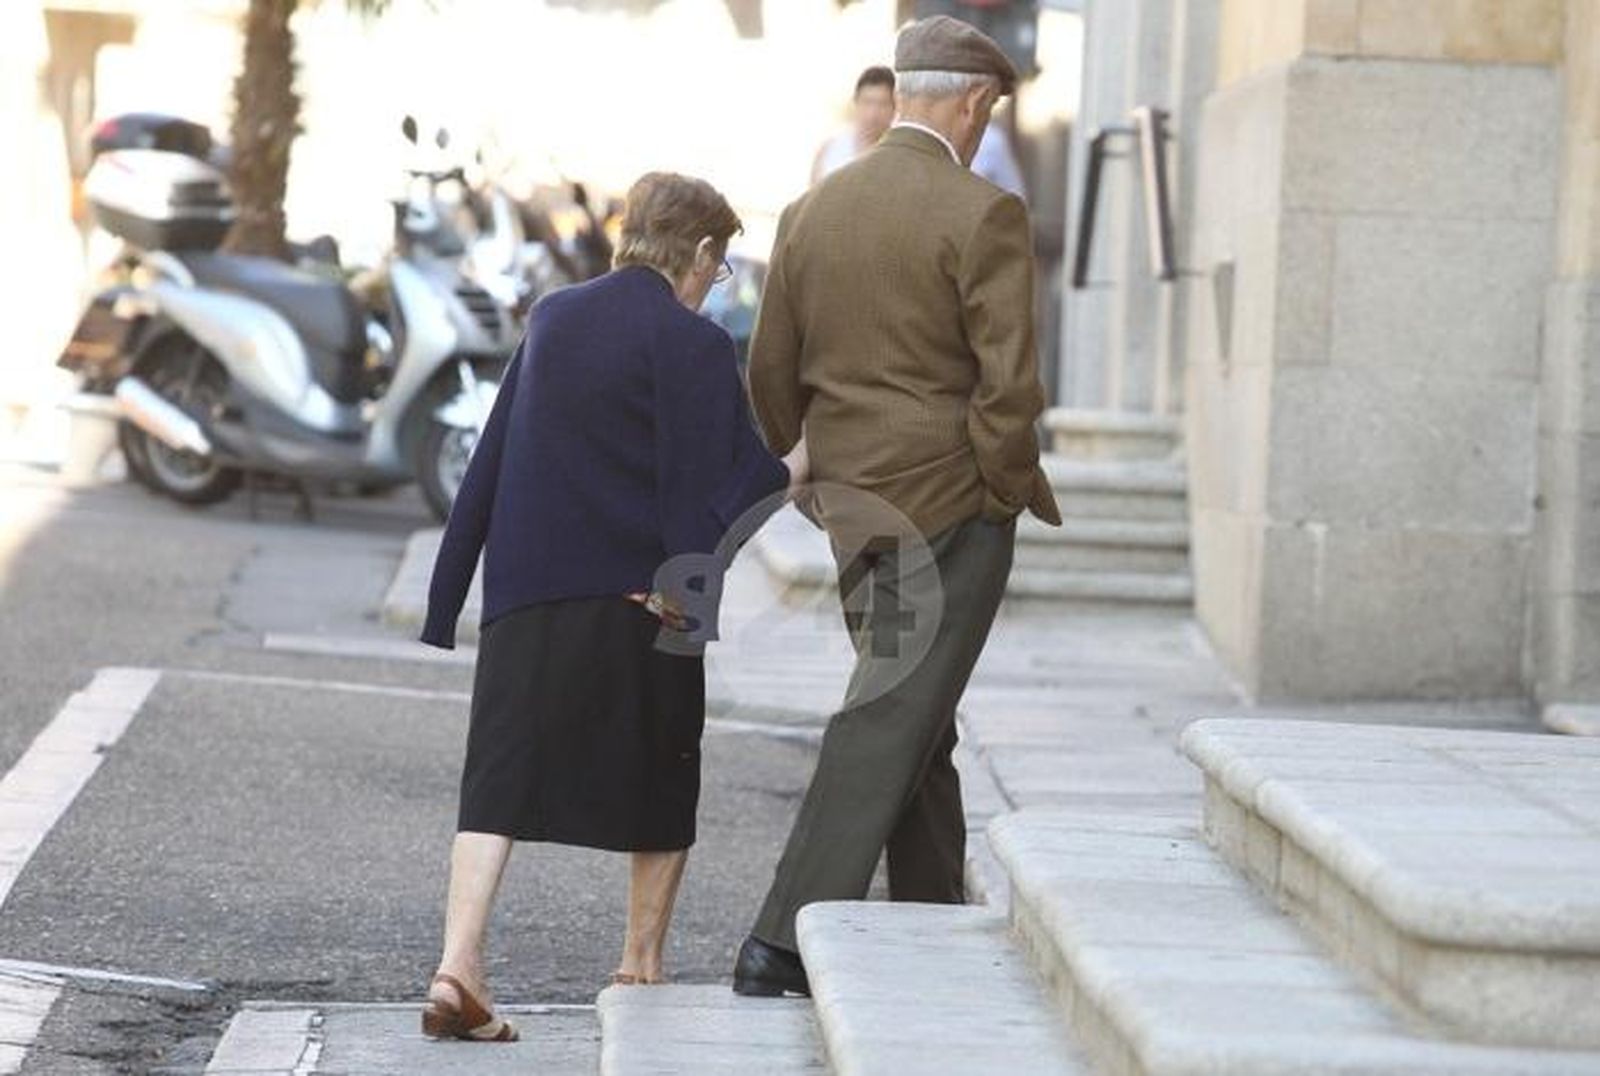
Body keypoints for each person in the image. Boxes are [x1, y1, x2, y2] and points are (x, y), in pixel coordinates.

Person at [416, 172, 808, 1041]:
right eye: (720, 265)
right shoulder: (695, 343)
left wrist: (452, 594)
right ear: (701, 251)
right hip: (643, 604)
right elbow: (736, 485)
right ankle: (639, 967)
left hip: (528, 592)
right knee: (664, 777)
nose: (717, 283)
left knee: (497, 785)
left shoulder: (555, 316)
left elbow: (494, 453)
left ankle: (459, 965)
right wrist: (808, 457)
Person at [735, 16, 1060, 997]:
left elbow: (768, 372)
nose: (984, 124)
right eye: (988, 108)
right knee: (890, 708)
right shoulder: (984, 213)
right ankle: (779, 939)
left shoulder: (811, 209)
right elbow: (1008, 387)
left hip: (853, 502)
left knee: (917, 707)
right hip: (952, 501)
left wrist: (816, 466)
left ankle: (928, 916)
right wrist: (1003, 487)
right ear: (967, 102)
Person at [811, 65, 897, 184]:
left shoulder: (898, 156)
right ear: (856, 103)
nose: (872, 114)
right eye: (867, 102)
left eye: (882, 104)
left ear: (895, 108)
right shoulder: (830, 150)